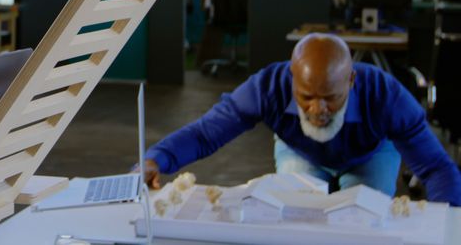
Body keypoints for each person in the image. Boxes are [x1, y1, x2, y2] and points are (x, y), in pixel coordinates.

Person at [138, 33, 461, 205]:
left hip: (371, 154)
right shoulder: (267, 87)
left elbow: (435, 168)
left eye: (331, 98)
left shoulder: (386, 94)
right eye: (306, 96)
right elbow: (206, 133)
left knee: (366, 223)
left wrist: (450, 226)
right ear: (292, 78)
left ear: (351, 81)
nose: (318, 109)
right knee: (298, 215)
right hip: (300, 151)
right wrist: (155, 159)